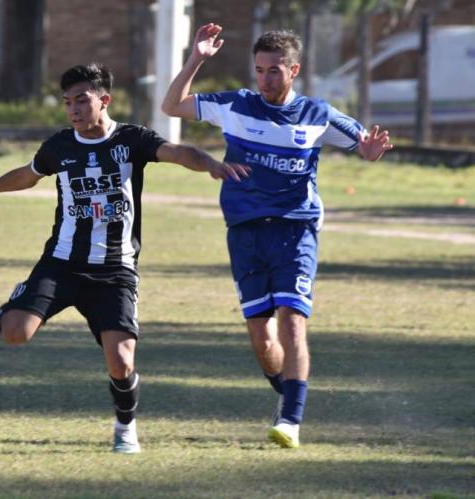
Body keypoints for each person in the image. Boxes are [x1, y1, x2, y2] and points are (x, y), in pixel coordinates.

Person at [0, 63, 250, 454]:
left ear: (104, 100)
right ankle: (18, 301)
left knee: (121, 361)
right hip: (62, 263)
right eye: (67, 103)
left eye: (82, 100)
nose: (74, 110)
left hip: (115, 270)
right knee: (14, 332)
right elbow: (28, 175)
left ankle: (125, 427)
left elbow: (180, 152)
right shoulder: (60, 147)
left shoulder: (131, 141)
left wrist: (211, 164)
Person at [161, 24, 393, 448]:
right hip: (246, 232)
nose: (265, 79)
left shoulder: (318, 114)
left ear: (293, 71)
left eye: (273, 71)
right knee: (262, 337)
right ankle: (287, 391)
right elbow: (172, 105)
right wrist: (197, 58)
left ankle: (291, 421)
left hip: (295, 228)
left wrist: (370, 152)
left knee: (292, 323)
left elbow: (362, 142)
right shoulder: (235, 105)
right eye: (259, 70)